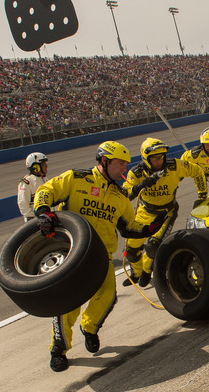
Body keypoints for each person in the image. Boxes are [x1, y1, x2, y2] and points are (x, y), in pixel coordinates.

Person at [33, 141, 165, 372]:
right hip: (72, 252)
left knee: (108, 296)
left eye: (125, 165)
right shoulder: (76, 178)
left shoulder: (120, 195)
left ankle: (89, 328)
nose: (124, 169)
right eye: (120, 164)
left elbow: (128, 227)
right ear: (104, 161)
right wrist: (43, 211)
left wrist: (148, 229)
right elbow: (46, 191)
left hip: (101, 254)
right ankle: (59, 349)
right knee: (68, 303)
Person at [122, 137, 208, 287]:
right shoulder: (136, 173)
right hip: (145, 212)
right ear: (146, 158)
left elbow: (197, 171)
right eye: (154, 158)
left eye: (161, 157)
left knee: (152, 247)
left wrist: (201, 195)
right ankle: (136, 274)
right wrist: (142, 184)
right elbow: (126, 194)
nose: (159, 161)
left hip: (166, 213)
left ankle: (146, 272)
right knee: (130, 250)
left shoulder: (174, 166)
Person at [18, 152, 48, 222]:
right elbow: (23, 203)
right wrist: (33, 218)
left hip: (46, 218)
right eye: (43, 164)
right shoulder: (27, 182)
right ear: (36, 167)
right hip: (36, 221)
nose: (46, 166)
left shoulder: (46, 180)